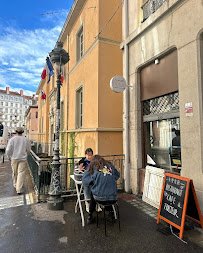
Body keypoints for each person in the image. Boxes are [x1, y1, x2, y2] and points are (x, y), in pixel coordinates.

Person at [82, 155, 120, 224]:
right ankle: (111, 213)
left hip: (100, 198)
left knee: (93, 193)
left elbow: (85, 180)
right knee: (107, 191)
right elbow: (117, 175)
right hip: (114, 198)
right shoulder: (110, 166)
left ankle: (90, 215)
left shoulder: (94, 167)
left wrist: (93, 181)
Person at [6, 127, 31, 195]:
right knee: (21, 173)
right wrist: (26, 154)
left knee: (14, 172)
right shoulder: (26, 139)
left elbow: (8, 150)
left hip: (14, 158)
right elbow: (28, 149)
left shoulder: (12, 139)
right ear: (22, 132)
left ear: (16, 132)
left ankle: (15, 184)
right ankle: (19, 189)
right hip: (22, 158)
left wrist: (9, 156)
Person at [78, 148, 94, 212]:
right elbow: (80, 169)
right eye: (88, 155)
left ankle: (96, 204)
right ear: (85, 155)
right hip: (86, 179)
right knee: (87, 187)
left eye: (91, 155)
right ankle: (87, 204)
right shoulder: (83, 161)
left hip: (93, 178)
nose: (89, 157)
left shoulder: (94, 162)